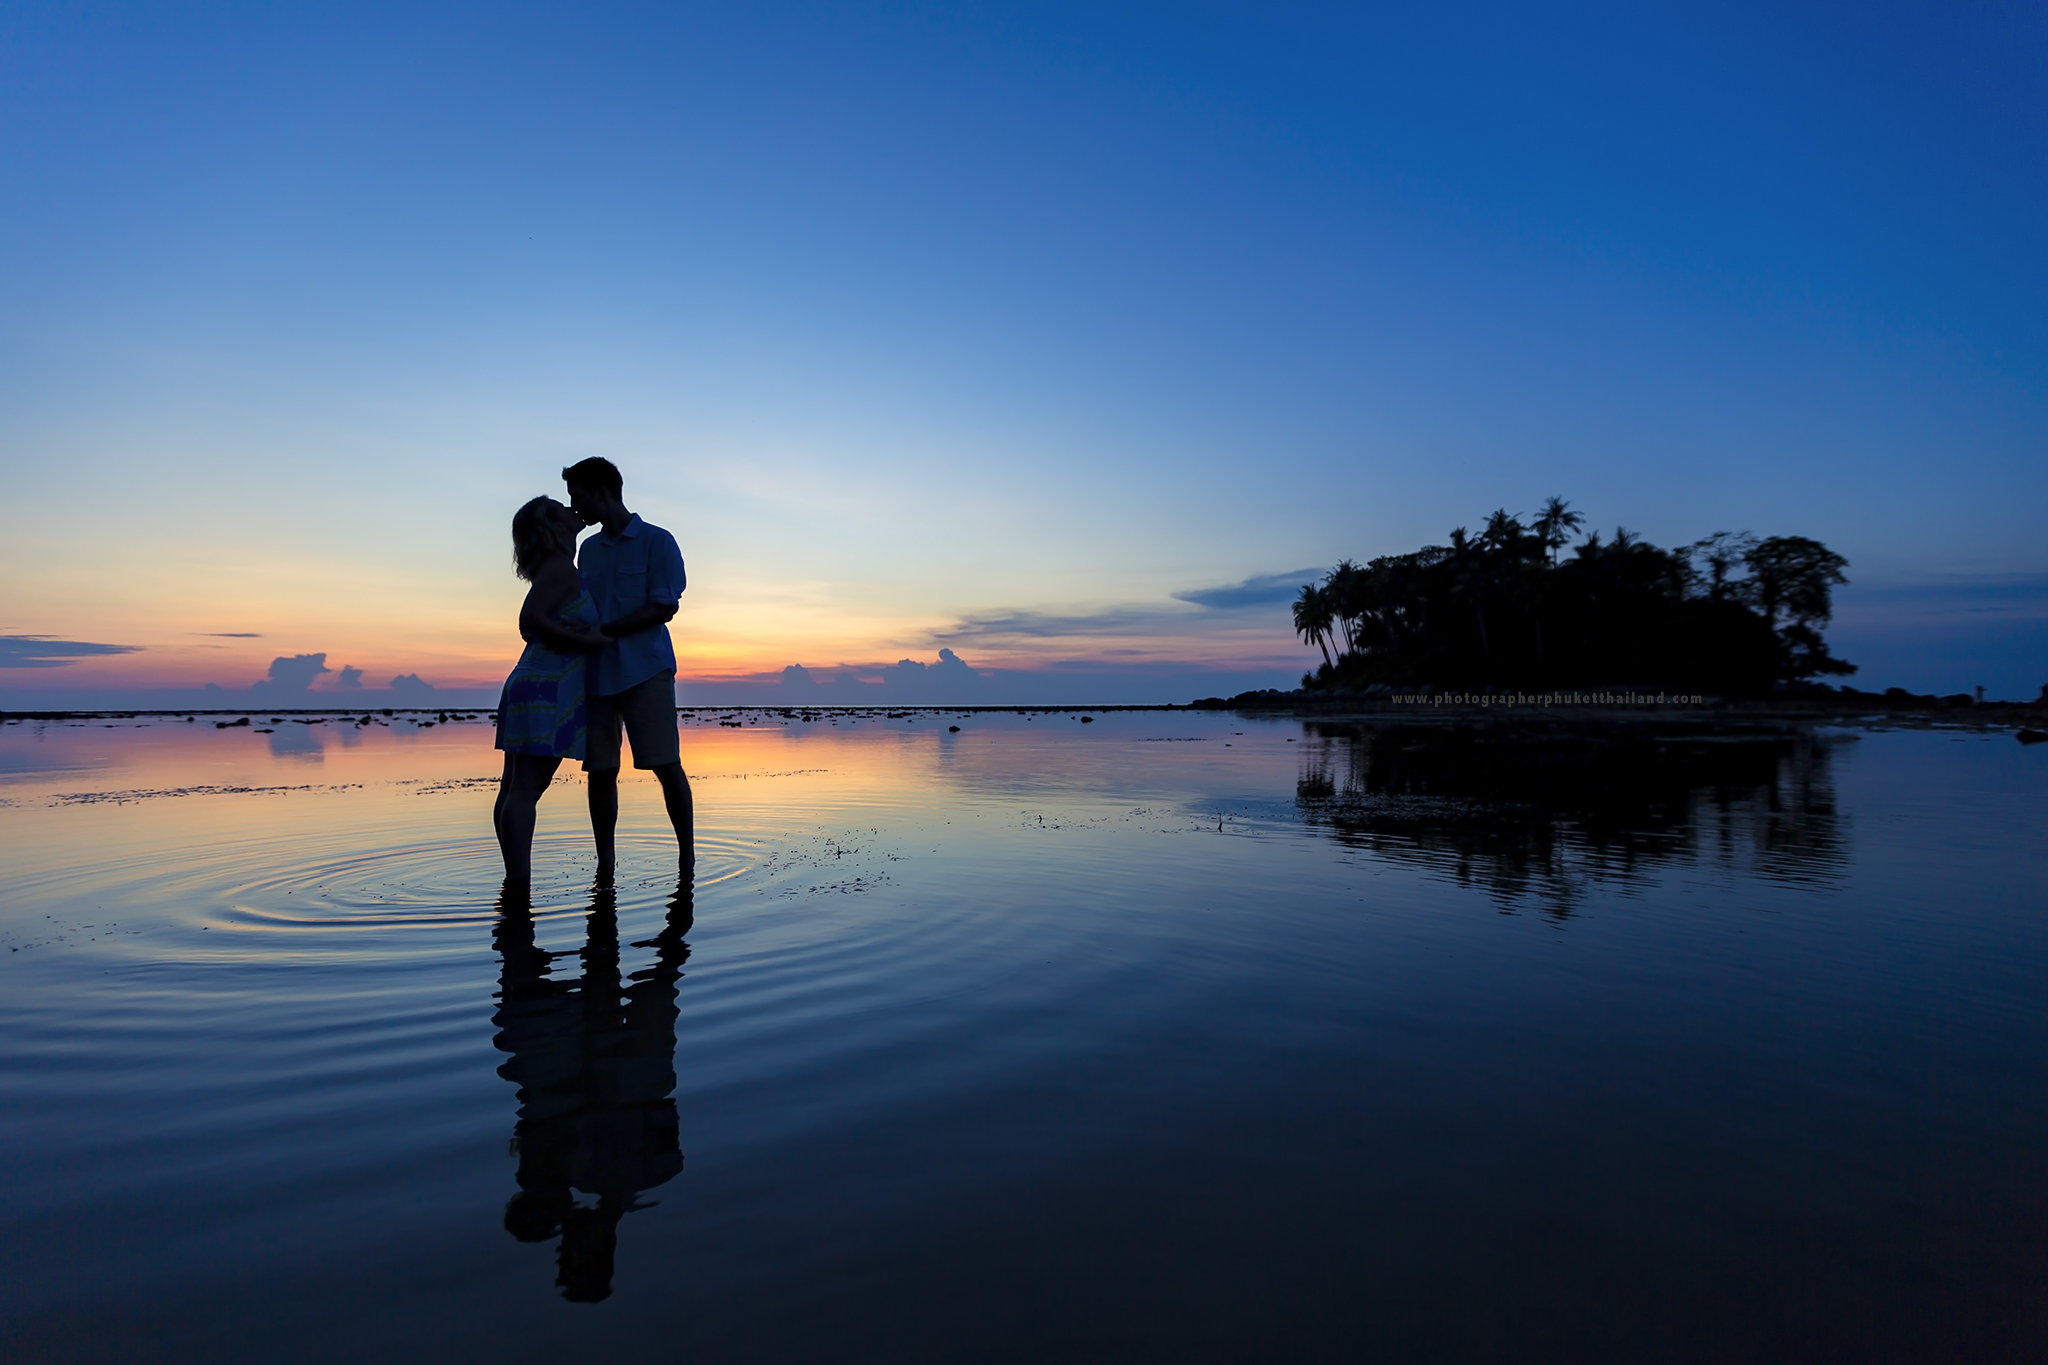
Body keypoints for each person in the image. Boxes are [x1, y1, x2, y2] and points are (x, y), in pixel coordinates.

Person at [561, 457, 694, 876]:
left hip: (645, 670)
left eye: (578, 497)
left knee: (664, 762)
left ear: (603, 492)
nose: (575, 507)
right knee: (600, 770)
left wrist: (605, 631)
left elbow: (662, 606)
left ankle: (687, 857)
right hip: (596, 673)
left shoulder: (658, 541)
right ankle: (606, 864)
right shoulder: (588, 550)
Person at [493, 496, 607, 881]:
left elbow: (535, 622)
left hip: (534, 680)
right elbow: (530, 618)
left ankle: (513, 880)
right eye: (563, 510)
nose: (574, 510)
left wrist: (571, 633)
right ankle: (518, 883)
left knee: (513, 787)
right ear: (553, 527)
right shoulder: (559, 568)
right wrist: (587, 640)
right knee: (525, 789)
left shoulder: (554, 568)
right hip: (548, 686)